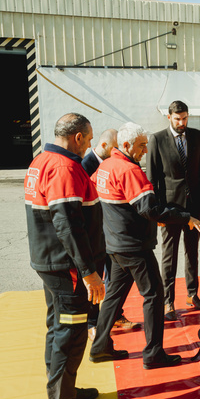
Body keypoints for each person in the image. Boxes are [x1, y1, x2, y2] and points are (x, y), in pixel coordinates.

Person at [89, 122, 200, 369]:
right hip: (134, 246)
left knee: (113, 296)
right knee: (154, 294)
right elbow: (150, 208)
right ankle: (153, 353)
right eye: (142, 146)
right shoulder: (128, 170)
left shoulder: (105, 167)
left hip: (114, 245)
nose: (145, 150)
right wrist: (185, 217)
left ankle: (99, 346)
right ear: (125, 146)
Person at [24, 112, 106, 399]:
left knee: (56, 327)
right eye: (88, 139)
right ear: (78, 138)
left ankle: (63, 391)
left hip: (51, 263)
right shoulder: (63, 167)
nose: (88, 145)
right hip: (67, 269)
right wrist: (88, 272)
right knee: (70, 334)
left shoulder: (41, 161)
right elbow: (68, 225)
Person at [147, 101, 200, 321]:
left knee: (192, 252)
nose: (182, 123)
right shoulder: (157, 140)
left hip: (194, 205)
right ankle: (168, 301)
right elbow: (152, 179)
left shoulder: (196, 136)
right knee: (169, 256)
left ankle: (192, 294)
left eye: (185, 118)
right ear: (169, 118)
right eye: (177, 119)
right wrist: (156, 212)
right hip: (170, 208)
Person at [81, 128, 140, 339]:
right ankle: (92, 321)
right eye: (116, 147)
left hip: (112, 233)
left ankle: (115, 314)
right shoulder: (85, 166)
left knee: (115, 278)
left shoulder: (117, 163)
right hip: (95, 234)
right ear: (105, 146)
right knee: (96, 278)